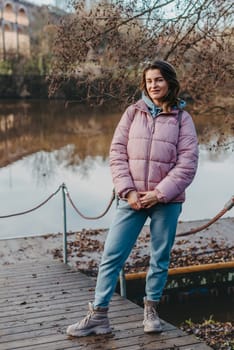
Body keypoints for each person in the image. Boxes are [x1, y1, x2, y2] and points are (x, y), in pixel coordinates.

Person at [66, 60, 199, 337]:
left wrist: (159, 193)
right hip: (132, 199)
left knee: (159, 257)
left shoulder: (182, 119)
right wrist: (128, 191)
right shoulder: (132, 113)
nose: (154, 85)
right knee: (111, 255)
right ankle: (98, 315)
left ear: (169, 82)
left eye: (159, 80)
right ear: (144, 84)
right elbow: (117, 153)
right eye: (149, 81)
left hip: (167, 201)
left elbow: (187, 163)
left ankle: (150, 310)